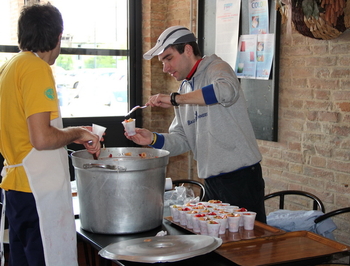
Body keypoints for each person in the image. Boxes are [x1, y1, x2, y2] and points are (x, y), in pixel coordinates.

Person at [125, 26, 266, 223]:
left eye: (168, 58)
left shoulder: (217, 68)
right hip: (212, 181)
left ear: (188, 50)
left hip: (240, 178)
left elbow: (226, 92)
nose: (165, 68)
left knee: (249, 247)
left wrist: (177, 99)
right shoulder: (184, 89)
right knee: (215, 245)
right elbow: (182, 140)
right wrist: (152, 138)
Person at [0, 3, 101, 266]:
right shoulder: (36, 69)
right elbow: (42, 138)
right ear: (58, 37)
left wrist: (70, 136)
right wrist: (77, 131)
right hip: (36, 192)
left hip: (16, 189)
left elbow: (24, 132)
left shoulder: (10, 67)